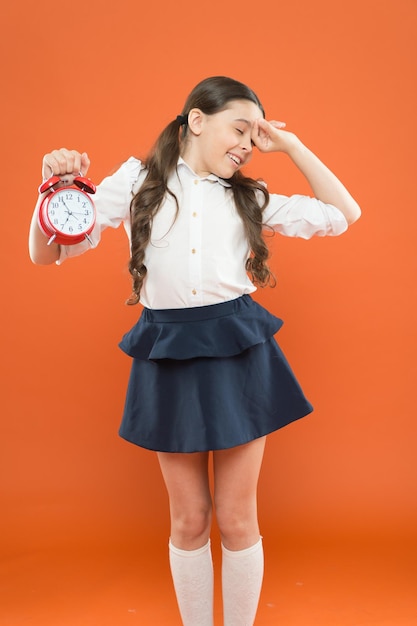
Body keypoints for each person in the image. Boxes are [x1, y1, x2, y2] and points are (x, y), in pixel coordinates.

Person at [29, 76, 361, 626]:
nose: (246, 145)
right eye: (239, 128)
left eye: (255, 138)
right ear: (196, 119)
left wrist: (293, 145)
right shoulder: (137, 181)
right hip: (169, 348)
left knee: (236, 518)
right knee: (188, 519)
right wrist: (50, 190)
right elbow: (49, 254)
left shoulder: (247, 196)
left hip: (238, 347)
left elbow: (343, 213)